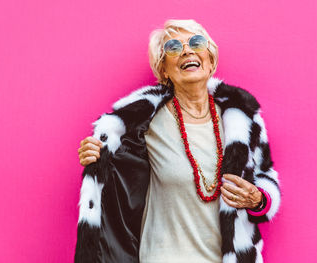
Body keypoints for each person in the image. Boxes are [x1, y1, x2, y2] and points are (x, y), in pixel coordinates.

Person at [75, 19, 281, 263]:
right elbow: (113, 177)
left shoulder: (243, 121)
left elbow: (265, 177)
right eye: (173, 46)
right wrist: (96, 154)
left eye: (196, 42)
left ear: (210, 60)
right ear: (164, 69)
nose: (187, 50)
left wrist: (258, 199)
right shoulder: (145, 121)